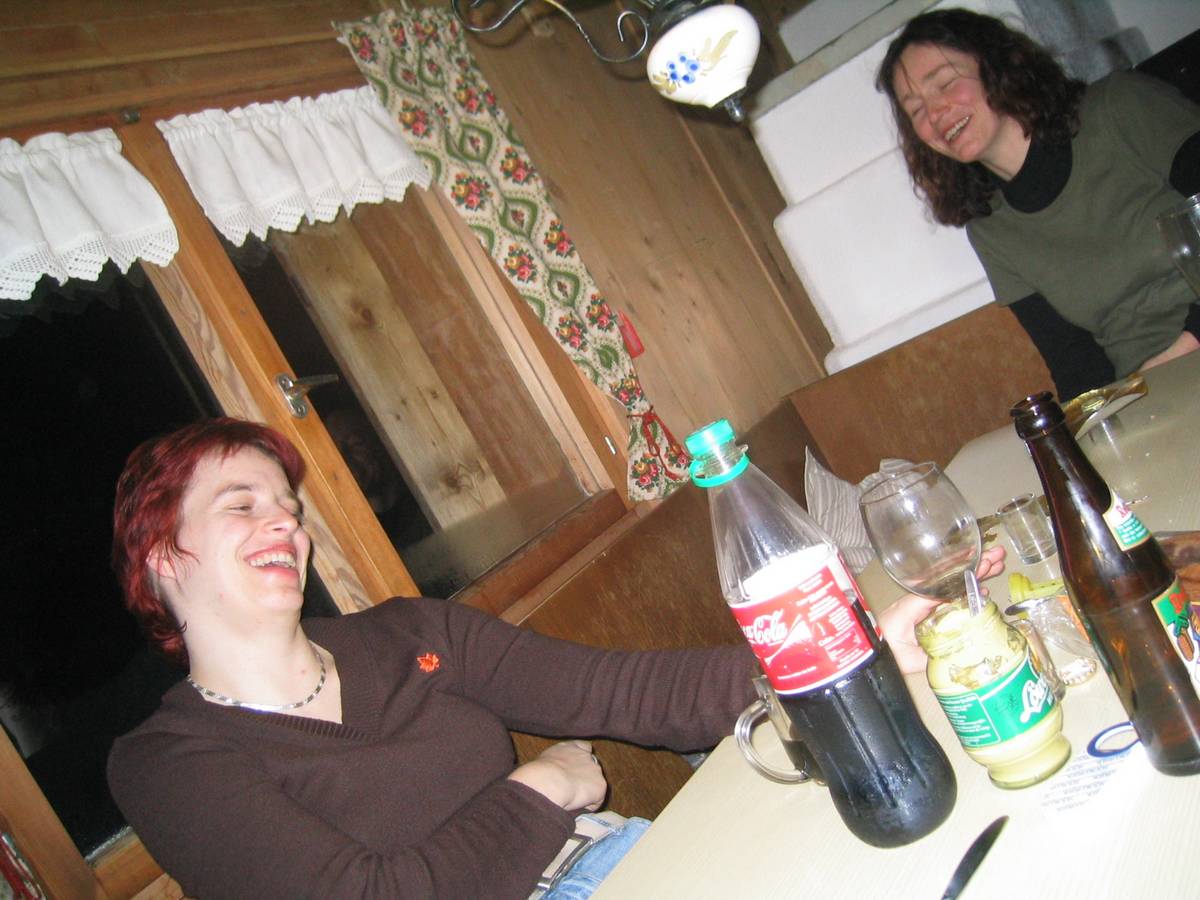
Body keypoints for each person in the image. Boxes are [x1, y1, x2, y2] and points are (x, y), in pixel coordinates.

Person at [106, 417, 1003, 899]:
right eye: (242, 505)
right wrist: (541, 788)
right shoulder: (167, 763)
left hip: (625, 857)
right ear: (160, 555)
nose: (284, 522)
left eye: (289, 507)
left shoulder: (406, 634)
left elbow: (625, 692)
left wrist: (849, 653)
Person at [877, 8, 1200, 402]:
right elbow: (1075, 363)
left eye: (945, 83)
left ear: (999, 66)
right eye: (916, 110)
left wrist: (1181, 352)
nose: (935, 112)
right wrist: (1091, 421)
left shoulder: (1120, 106)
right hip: (1149, 397)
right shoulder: (990, 229)